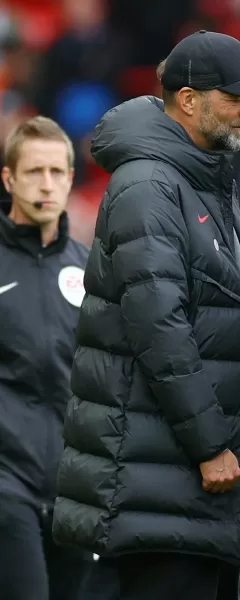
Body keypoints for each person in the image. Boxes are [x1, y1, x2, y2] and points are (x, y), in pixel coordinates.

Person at [52, 30, 240, 600]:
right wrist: (211, 444)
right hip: (162, 483)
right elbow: (159, 328)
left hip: (182, 486)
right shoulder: (150, 184)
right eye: (235, 96)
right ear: (189, 100)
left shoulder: (197, 176)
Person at [0, 116, 90, 600]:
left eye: (57, 172)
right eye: (34, 172)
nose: (47, 184)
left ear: (72, 178)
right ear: (9, 179)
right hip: (5, 483)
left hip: (72, 487)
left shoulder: (91, 269)